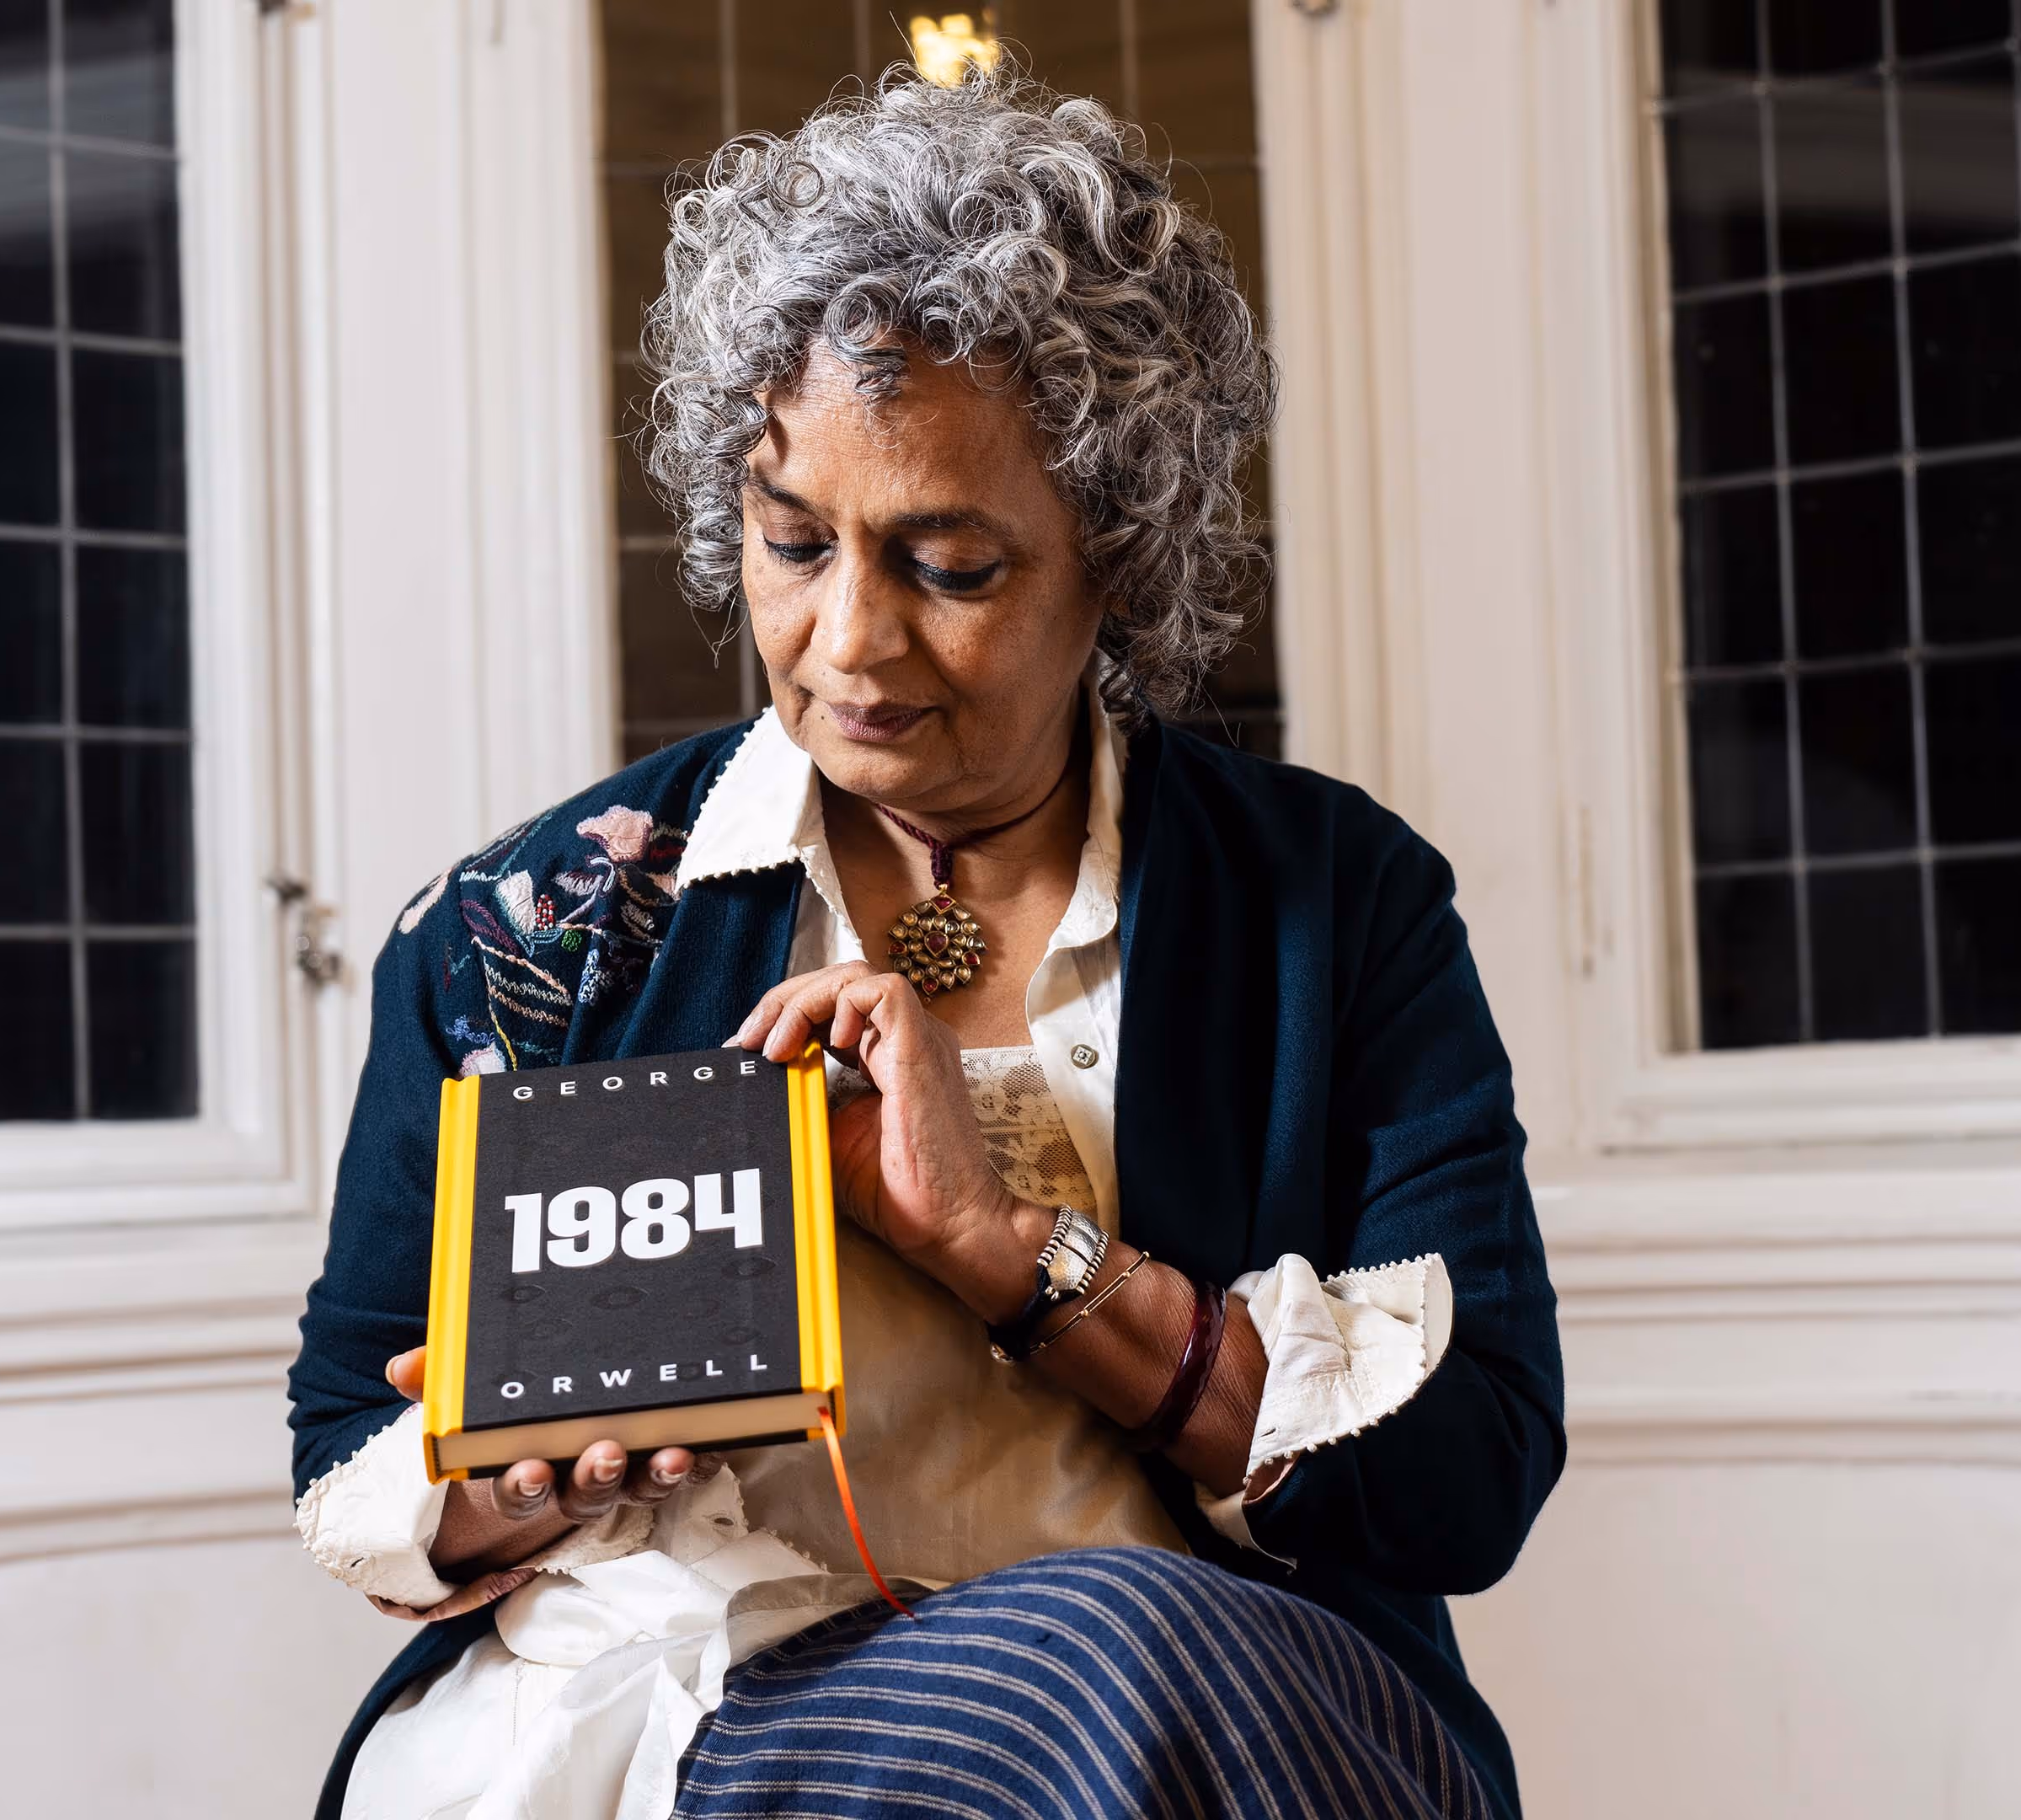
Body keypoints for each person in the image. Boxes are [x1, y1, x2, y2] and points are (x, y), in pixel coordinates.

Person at [286, 68, 1564, 1820]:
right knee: (1124, 1659)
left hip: (1215, 1710)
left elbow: (1466, 1477)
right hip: (705, 1713)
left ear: (1118, 551)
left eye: (949, 566)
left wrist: (1012, 1255)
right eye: (792, 542)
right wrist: (518, 1475)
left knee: (1142, 1659)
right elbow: (351, 1440)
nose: (849, 643)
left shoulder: (1337, 906)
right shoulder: (532, 936)